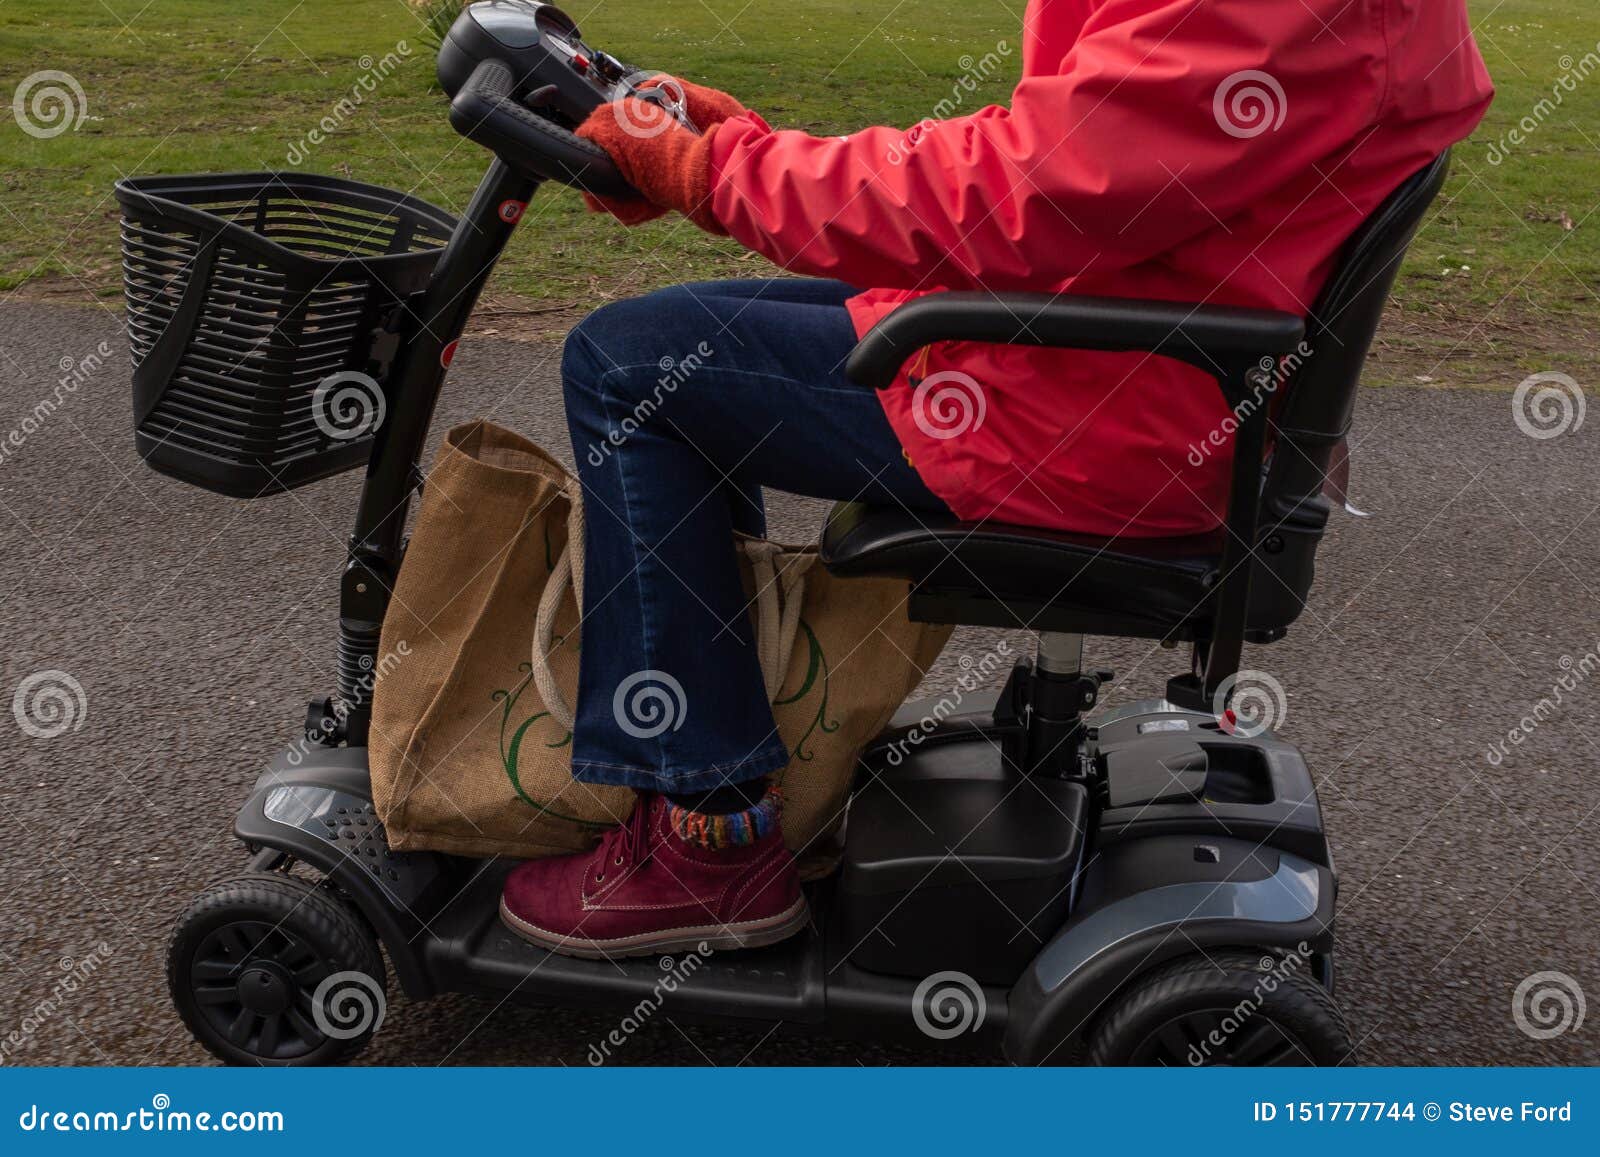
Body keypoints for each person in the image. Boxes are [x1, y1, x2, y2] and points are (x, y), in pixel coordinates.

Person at [497, 0, 1493, 957]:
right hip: (1137, 346)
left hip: (1103, 404)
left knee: (626, 366)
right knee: (675, 339)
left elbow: (1025, 191)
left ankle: (708, 837)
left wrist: (722, 170)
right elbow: (1062, 143)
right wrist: (735, 147)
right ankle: (736, 762)